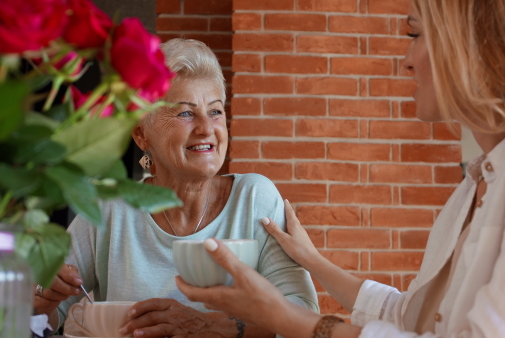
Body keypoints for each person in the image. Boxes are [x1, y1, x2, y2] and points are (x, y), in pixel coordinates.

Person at [176, 0, 505, 337]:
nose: (406, 62)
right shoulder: (473, 187)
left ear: (475, 43)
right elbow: (409, 315)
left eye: (414, 34)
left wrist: (284, 317)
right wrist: (312, 260)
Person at [32, 38, 318, 337]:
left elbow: (304, 314)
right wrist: (42, 296)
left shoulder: (254, 199)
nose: (207, 128)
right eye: (185, 113)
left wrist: (209, 327)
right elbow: (47, 315)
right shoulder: (113, 208)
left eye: (216, 111)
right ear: (142, 135)